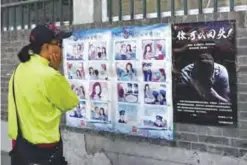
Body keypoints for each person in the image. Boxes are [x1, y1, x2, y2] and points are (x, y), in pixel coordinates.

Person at [8, 24, 79, 165]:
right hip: (45, 150)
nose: (62, 48)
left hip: (21, 147)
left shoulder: (19, 69)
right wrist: (56, 70)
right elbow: (71, 102)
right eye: (59, 43)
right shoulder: (50, 76)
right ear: (47, 47)